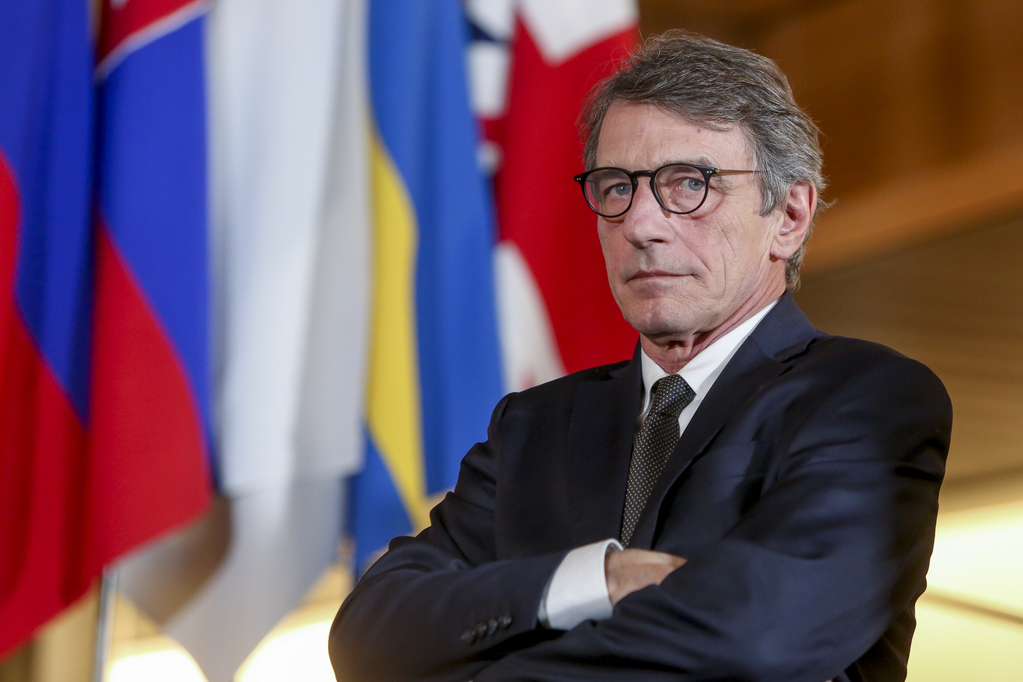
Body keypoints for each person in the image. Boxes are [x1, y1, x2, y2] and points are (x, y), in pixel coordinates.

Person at [329, 30, 952, 682]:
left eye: (689, 184)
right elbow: (369, 637)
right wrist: (596, 578)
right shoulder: (531, 429)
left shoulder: (868, 399)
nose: (641, 224)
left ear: (789, 216)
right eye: (616, 187)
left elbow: (758, 640)